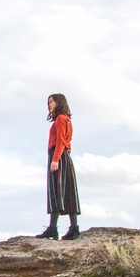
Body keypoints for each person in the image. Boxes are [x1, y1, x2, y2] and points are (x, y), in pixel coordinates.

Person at [35, 93, 80, 240]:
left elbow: (61, 140)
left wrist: (55, 159)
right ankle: (73, 228)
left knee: (56, 191)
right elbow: (68, 141)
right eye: (48, 102)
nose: (49, 105)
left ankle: (53, 229)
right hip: (64, 157)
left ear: (59, 103)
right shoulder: (66, 119)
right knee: (67, 192)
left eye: (52, 102)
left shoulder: (61, 119)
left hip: (58, 156)